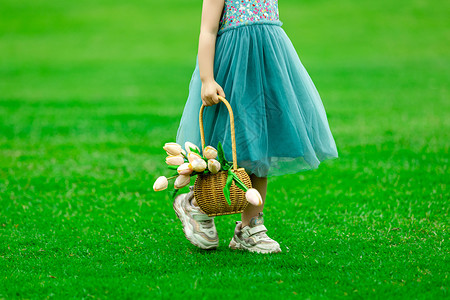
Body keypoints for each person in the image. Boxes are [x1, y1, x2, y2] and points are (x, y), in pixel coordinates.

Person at [173, 0, 338, 254]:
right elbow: (208, 29)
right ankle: (197, 204)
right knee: (223, 147)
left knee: (261, 147)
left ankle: (249, 227)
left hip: (268, 62)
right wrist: (207, 78)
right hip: (232, 67)